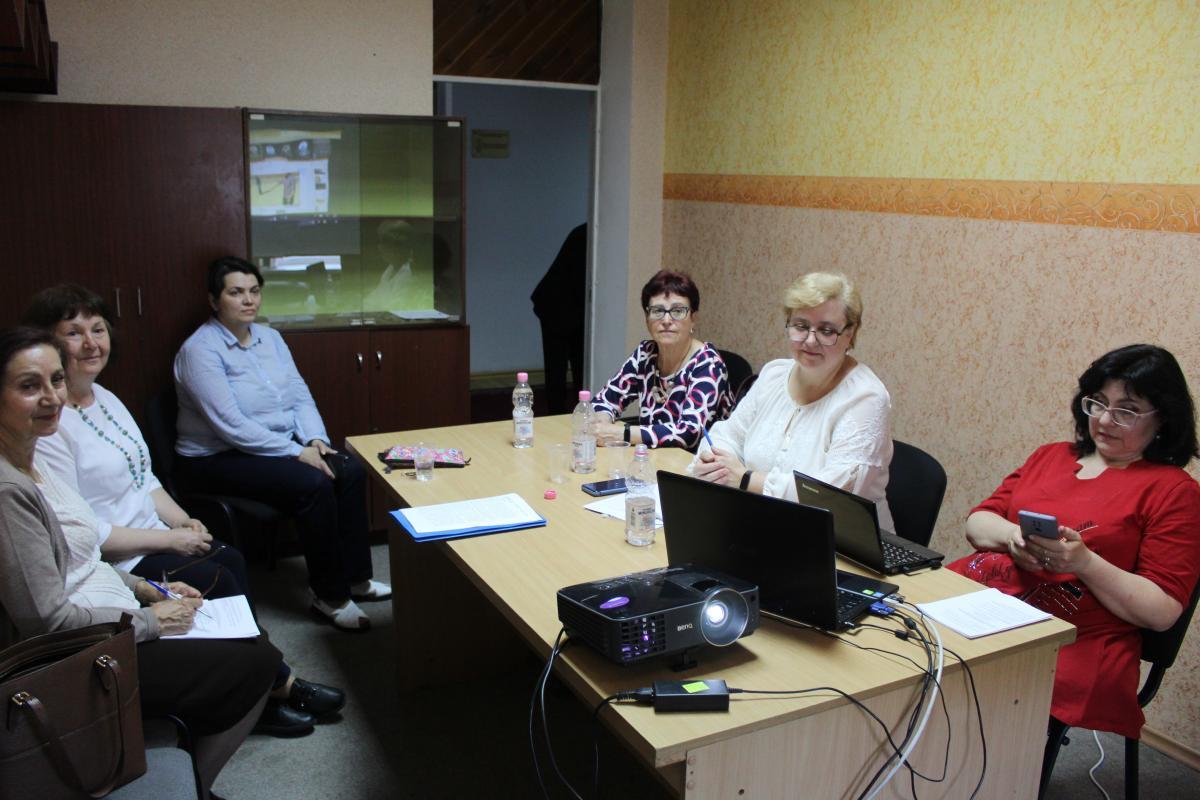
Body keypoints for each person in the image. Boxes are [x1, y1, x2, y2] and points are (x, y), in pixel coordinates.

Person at [22, 283, 345, 736]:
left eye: (98, 329)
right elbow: (84, 530)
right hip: (119, 557)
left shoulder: (106, 398)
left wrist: (180, 519)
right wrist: (170, 539)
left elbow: (145, 480)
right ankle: (270, 687)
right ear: (49, 343)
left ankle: (262, 681)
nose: (91, 343)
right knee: (218, 575)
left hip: (151, 534)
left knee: (227, 557)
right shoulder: (52, 427)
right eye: (74, 333)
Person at [0, 327, 280, 799]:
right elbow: (47, 623)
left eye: (56, 380)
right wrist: (151, 620)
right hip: (79, 655)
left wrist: (146, 589)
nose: (51, 397)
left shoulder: (32, 458)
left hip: (116, 616)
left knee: (245, 633)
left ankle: (185, 770)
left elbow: (81, 560)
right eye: (30, 386)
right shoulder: (8, 491)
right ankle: (195, 787)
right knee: (258, 661)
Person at [950, 344, 1200, 739]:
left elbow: (1162, 611)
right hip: (990, 603)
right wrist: (1014, 537)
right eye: (1097, 403)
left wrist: (1083, 563)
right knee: (900, 646)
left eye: (1127, 411)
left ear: (1163, 418)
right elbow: (979, 523)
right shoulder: (1051, 456)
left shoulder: (1173, 491)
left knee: (962, 684)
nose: (1105, 420)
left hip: (1076, 637)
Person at [174, 257, 390, 631]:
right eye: (236, 292)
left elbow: (298, 395)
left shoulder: (270, 338)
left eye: (254, 291)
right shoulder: (200, 350)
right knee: (314, 483)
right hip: (215, 458)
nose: (248, 300)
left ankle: (356, 579)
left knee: (349, 469)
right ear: (213, 300)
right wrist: (296, 452)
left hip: (269, 445)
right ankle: (330, 597)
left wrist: (315, 439)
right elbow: (231, 426)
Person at [692, 272, 894, 530]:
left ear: (850, 333)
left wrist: (744, 479)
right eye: (800, 326)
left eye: (826, 330)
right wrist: (717, 464)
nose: (810, 340)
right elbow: (728, 435)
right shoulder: (774, 374)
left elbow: (830, 497)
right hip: (761, 524)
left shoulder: (866, 399)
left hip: (837, 541)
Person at [590, 270, 732, 450]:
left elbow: (689, 433)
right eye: (657, 311)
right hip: (653, 458)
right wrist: (602, 422)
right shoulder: (645, 354)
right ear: (646, 318)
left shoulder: (709, 364)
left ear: (693, 319)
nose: (666, 320)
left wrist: (621, 433)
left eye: (678, 311)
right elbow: (603, 401)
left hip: (700, 462)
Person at [531, 223, 586, 414]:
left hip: (567, 305)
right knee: (558, 368)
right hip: (556, 306)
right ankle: (557, 414)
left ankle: (574, 411)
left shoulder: (586, 232)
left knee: (576, 366)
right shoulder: (589, 234)